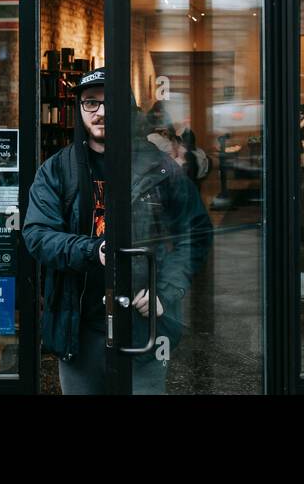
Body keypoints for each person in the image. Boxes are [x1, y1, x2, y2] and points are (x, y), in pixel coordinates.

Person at [24, 67, 214, 394]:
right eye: (90, 103)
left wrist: (165, 291)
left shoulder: (160, 169)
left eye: (109, 102)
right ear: (79, 109)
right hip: (78, 329)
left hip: (141, 328)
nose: (100, 112)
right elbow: (38, 235)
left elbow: (194, 232)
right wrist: (90, 250)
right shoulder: (57, 170)